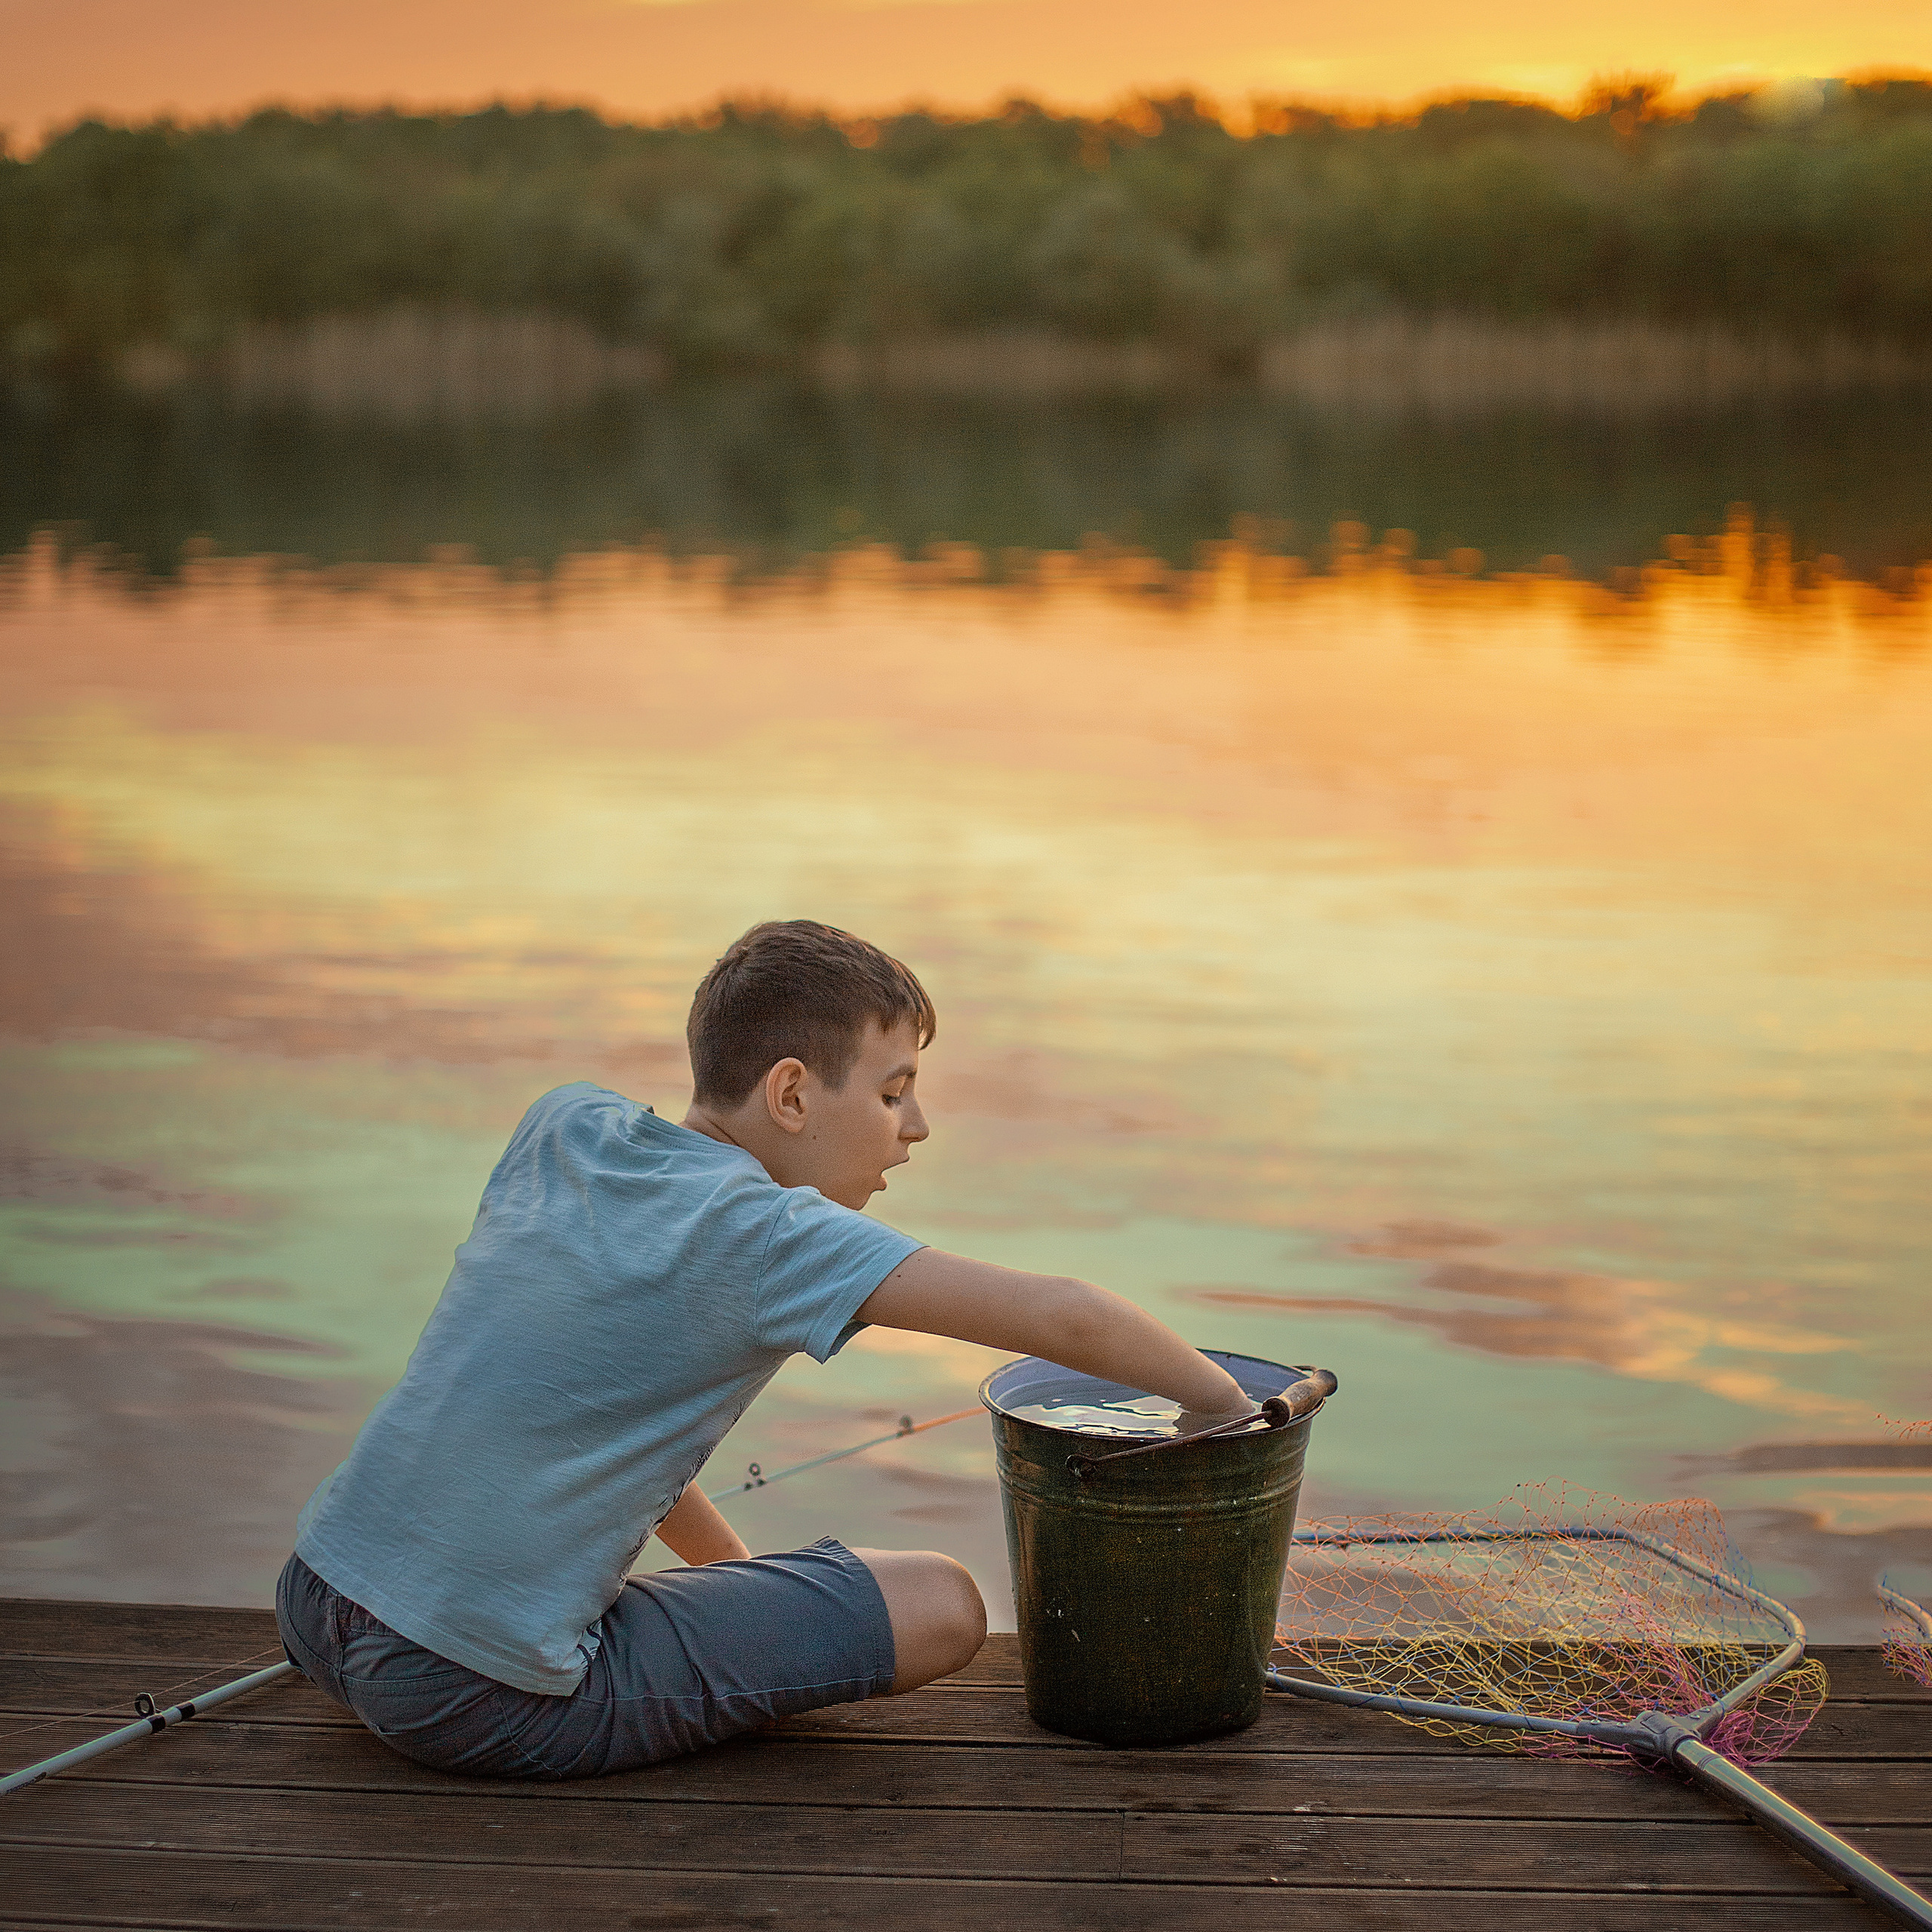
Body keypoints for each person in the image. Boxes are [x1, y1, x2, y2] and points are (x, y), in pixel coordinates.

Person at [275, 918, 1254, 1777]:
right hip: (476, 1700)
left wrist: (732, 1578)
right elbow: (1065, 1318)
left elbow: (581, 1407)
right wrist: (1232, 1410)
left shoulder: (566, 1126)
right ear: (790, 1095)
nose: (917, 1128)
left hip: (317, 1602)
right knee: (944, 1604)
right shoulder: (771, 1234)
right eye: (893, 1091)